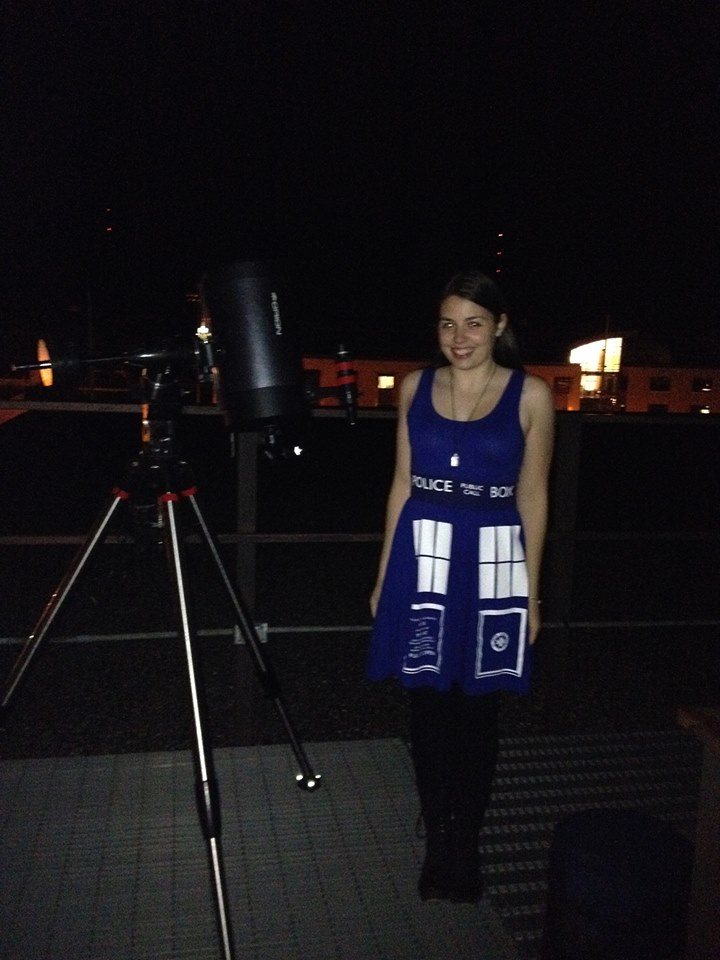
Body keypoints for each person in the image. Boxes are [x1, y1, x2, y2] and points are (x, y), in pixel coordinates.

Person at [367, 269, 555, 903]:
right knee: (427, 706)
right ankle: (440, 833)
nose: (460, 337)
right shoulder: (414, 386)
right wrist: (383, 573)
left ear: (500, 326)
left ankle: (465, 843)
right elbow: (401, 483)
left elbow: (533, 495)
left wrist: (531, 594)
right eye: (448, 323)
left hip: (496, 560)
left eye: (474, 323)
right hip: (423, 558)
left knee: (478, 710)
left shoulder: (531, 396)